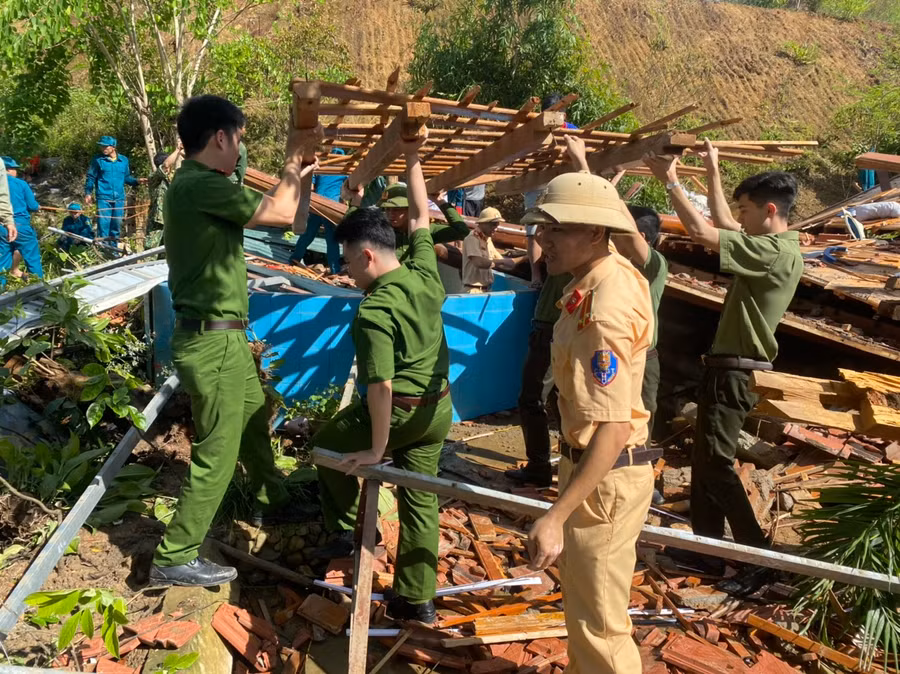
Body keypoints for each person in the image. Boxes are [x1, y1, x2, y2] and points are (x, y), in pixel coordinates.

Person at [148, 95, 320, 587]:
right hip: (212, 342)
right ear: (221, 137)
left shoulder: (205, 187)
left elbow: (292, 217)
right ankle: (174, 554)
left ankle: (272, 500)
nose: (240, 151)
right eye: (239, 139)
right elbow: (282, 214)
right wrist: (291, 159)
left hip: (225, 339)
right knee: (218, 451)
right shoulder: (199, 185)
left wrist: (300, 177)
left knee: (253, 411)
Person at [314, 132, 452, 625]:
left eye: (348, 261)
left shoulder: (374, 310)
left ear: (367, 255)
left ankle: (350, 529)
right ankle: (417, 599)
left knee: (326, 450)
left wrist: (376, 450)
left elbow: (380, 388)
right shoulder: (423, 270)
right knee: (421, 497)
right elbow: (420, 214)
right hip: (439, 411)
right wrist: (414, 154)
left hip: (402, 412)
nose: (348, 272)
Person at [523, 166, 658, 674]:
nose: (543, 239)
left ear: (596, 232)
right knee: (585, 614)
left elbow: (614, 425)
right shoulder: (603, 277)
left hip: (606, 476)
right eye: (542, 227)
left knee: (601, 626)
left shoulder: (604, 308)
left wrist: (556, 516)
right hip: (596, 474)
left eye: (556, 228)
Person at [644, 140, 803, 562]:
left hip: (736, 370)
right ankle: (706, 550)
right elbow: (721, 220)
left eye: (747, 211)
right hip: (725, 368)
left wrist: (671, 182)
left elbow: (702, 232)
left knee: (714, 463)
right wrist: (713, 168)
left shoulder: (773, 253)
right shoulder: (769, 245)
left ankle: (756, 552)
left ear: (770, 211)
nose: (740, 219)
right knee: (704, 461)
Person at [343, 182, 469, 264]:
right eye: (387, 210)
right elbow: (347, 232)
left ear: (410, 210)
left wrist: (439, 201)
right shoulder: (380, 230)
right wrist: (355, 202)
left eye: (397, 210)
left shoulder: (425, 230)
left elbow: (462, 231)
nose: (391, 214)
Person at [289, 148, 347, 274]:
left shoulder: (321, 169)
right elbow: (348, 191)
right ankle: (335, 269)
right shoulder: (343, 171)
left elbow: (310, 187)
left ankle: (294, 260)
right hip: (332, 207)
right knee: (332, 239)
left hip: (317, 205)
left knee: (307, 235)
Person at [84, 136, 145, 241]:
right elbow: (91, 177)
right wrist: (88, 193)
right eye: (101, 146)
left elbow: (126, 178)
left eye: (105, 146)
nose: (103, 148)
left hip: (119, 199)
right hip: (104, 198)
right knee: (104, 225)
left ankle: (114, 251)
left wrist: (137, 181)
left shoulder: (124, 160)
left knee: (116, 225)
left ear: (113, 147)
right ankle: (104, 250)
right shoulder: (97, 160)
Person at [1, 157, 43, 285]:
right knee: (33, 258)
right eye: (15, 169)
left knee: (2, 261)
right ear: (9, 169)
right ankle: (39, 288)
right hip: (20, 226)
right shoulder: (21, 184)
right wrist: (38, 207)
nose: (16, 172)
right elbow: (32, 206)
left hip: (2, 227)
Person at [461, 207, 516, 293]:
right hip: (473, 290)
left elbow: (503, 263)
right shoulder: (472, 238)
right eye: (493, 224)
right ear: (483, 223)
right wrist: (503, 262)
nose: (496, 228)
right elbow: (479, 262)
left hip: (486, 289)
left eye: (497, 225)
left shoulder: (488, 240)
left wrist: (526, 257)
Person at [146, 143, 183, 249]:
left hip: (171, 219)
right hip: (158, 221)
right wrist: (177, 150)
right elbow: (166, 165)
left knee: (169, 250)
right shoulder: (154, 177)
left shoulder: (172, 177)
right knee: (151, 250)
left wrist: (183, 153)